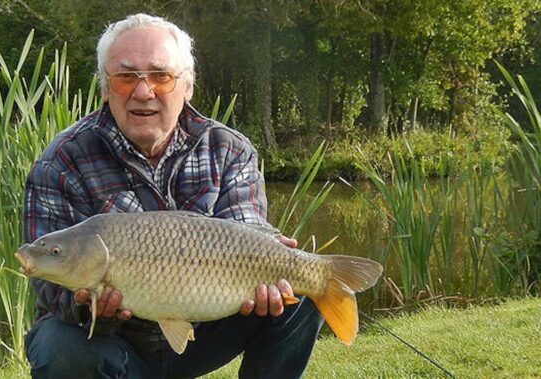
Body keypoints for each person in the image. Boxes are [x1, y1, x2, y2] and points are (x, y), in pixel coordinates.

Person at [22, 13, 324, 379]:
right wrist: (91, 307)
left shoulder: (229, 149)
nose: (143, 92)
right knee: (59, 346)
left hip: (209, 322)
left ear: (187, 85)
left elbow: (246, 228)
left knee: (302, 290)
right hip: (112, 340)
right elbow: (48, 285)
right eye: (125, 77)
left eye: (161, 77)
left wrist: (273, 264)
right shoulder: (61, 161)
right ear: (105, 87)